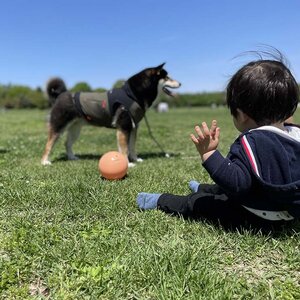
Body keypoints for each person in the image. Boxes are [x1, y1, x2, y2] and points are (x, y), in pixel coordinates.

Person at [136, 58, 300, 229]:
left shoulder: (252, 141)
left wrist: (209, 153)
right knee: (234, 186)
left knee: (199, 203)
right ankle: (204, 187)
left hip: (259, 216)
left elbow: (237, 183)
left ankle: (160, 200)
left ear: (242, 114)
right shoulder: (295, 135)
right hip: (289, 212)